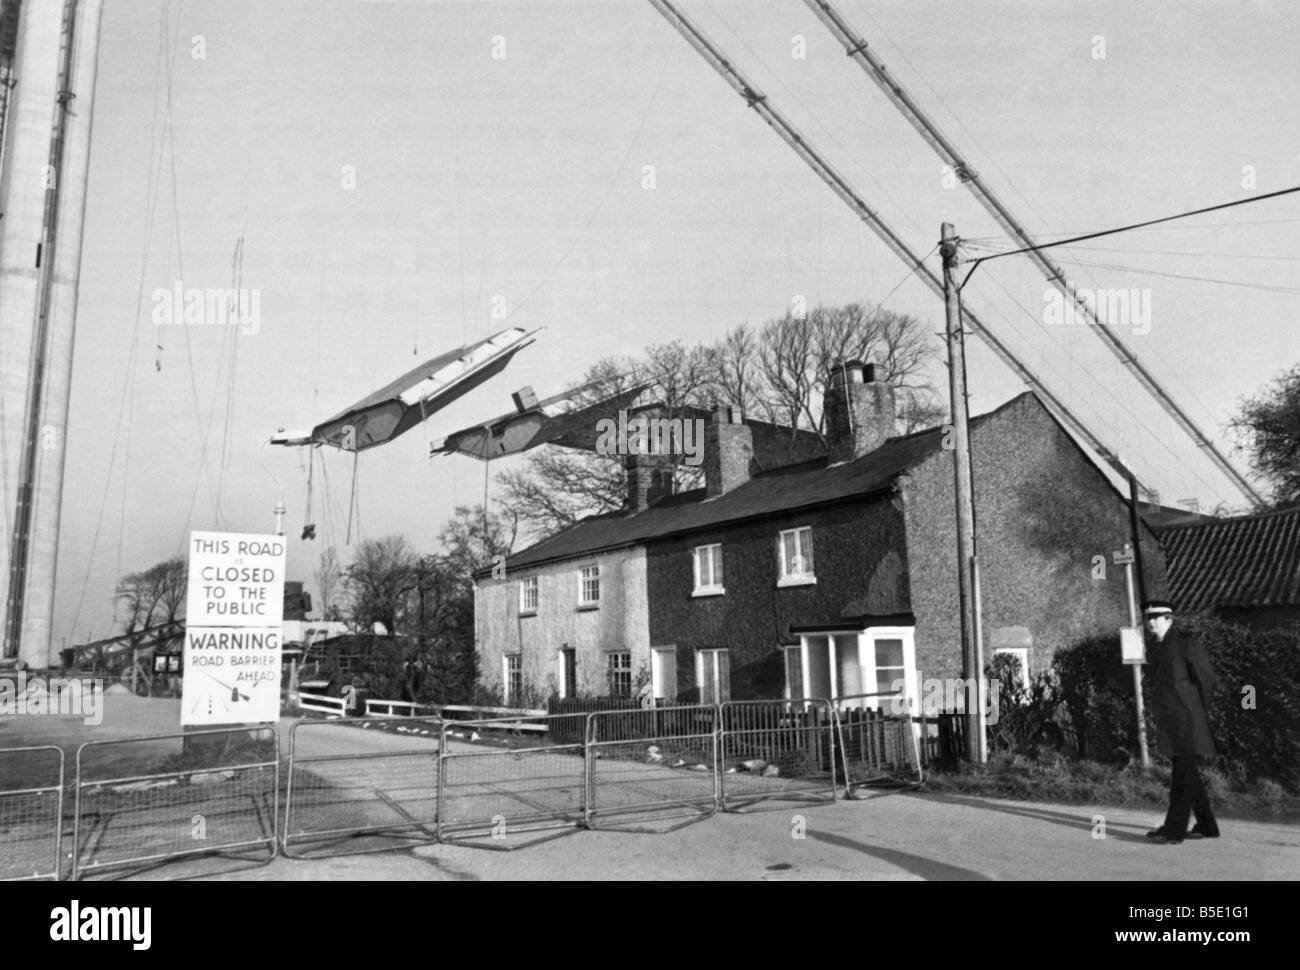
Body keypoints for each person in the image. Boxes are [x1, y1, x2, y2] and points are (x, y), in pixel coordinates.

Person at [1142, 599, 1220, 844]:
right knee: (1188, 775)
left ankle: (1174, 830)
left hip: (1188, 722)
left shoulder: (1187, 644)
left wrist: (1197, 711)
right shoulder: (1155, 648)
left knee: (1182, 780)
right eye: (1148, 618)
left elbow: (1207, 681)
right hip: (1170, 724)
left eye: (1157, 617)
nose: (1151, 622)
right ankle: (1207, 826)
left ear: (1169, 619)